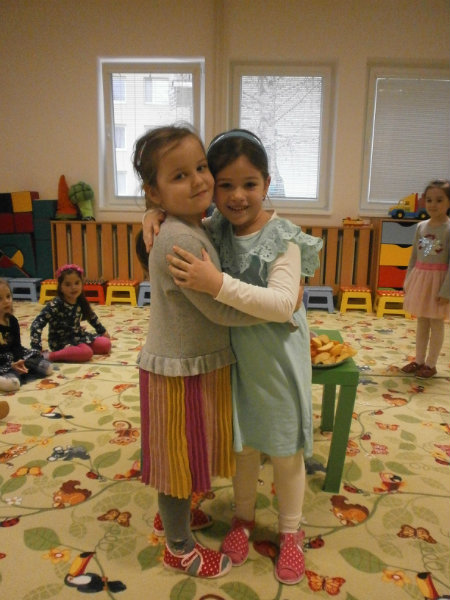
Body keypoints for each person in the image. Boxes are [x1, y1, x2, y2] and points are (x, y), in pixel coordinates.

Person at [145, 128, 323, 585]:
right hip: (232, 363)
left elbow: (281, 304)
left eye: (249, 184)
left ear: (267, 183)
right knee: (242, 448)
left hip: (276, 362)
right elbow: (179, 218)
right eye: (225, 184)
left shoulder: (282, 237)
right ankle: (242, 519)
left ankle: (290, 532)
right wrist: (153, 212)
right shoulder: (216, 229)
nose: (237, 196)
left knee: (284, 450)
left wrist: (217, 283)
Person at [401, 179, 450, 379]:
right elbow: (414, 257)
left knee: (436, 323)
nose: (433, 204)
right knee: (422, 322)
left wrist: (446, 291)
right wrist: (408, 281)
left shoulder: (448, 229)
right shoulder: (421, 227)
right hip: (421, 280)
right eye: (429, 200)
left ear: (448, 202)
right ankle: (419, 360)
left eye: (439, 200)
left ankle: (431, 364)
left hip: (439, 283)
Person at [30, 264, 111, 362]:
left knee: (106, 344)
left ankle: (76, 351)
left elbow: (91, 317)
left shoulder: (80, 300)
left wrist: (102, 331)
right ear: (61, 287)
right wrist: (36, 348)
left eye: (77, 283)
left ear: (82, 283)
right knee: (87, 353)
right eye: (68, 284)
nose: (73, 287)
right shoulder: (56, 304)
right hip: (61, 341)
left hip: (78, 336)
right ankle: (50, 356)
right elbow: (36, 324)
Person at [0, 278, 53, 402]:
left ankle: (16, 370)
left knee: (46, 367)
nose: (6, 301)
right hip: (1, 360)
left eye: (8, 296)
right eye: (0, 299)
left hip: (12, 356)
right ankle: (7, 379)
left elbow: (16, 346)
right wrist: (11, 364)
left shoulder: (12, 320)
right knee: (13, 384)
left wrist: (19, 360)